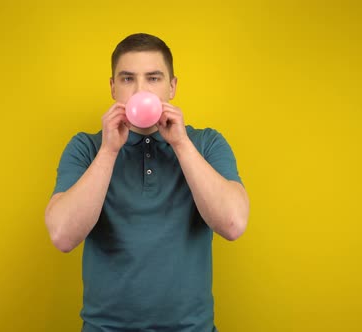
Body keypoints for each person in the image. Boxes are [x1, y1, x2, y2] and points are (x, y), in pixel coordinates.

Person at [45, 33, 249, 331]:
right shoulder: (87, 148)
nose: (141, 91)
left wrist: (180, 144)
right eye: (128, 79)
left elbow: (233, 224)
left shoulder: (206, 143)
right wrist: (109, 149)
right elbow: (62, 236)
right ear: (113, 87)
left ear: (172, 86)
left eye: (153, 78)